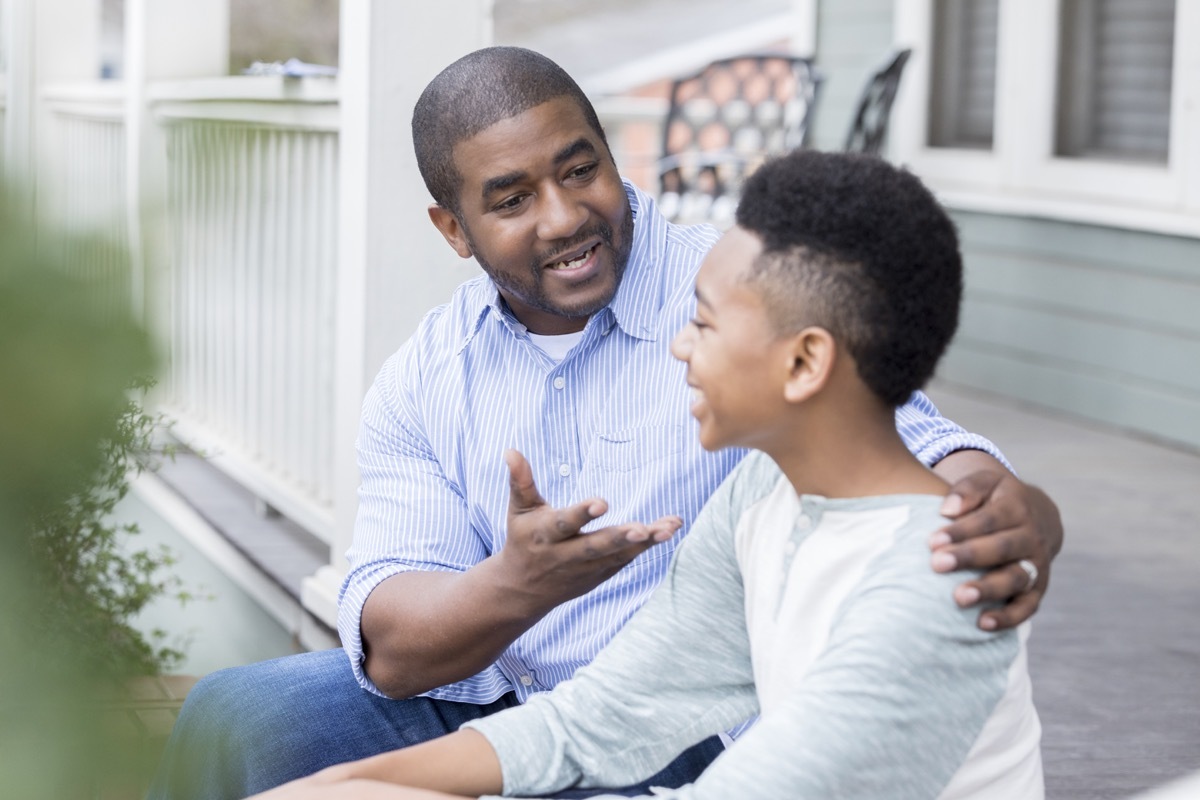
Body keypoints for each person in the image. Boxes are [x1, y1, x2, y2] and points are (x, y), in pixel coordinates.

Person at [147, 46, 1061, 800]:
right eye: (510, 199)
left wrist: (1000, 503)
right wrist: (517, 587)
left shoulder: (742, 285)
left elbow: (895, 437)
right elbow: (416, 658)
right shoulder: (431, 378)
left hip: (697, 738)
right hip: (525, 698)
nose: (565, 215)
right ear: (454, 229)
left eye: (581, 169)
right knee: (239, 715)